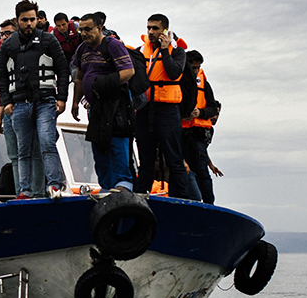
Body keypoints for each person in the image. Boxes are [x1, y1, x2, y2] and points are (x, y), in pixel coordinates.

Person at [0, 0, 69, 200]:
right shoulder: (8, 45)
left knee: (47, 142)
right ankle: (24, 190)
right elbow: (2, 75)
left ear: (37, 19)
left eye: (32, 19)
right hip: (19, 103)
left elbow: (62, 69)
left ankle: (54, 185)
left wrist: (62, 97)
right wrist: (6, 101)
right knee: (23, 149)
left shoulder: (49, 40)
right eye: (24, 20)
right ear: (17, 20)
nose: (29, 23)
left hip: (45, 101)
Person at [71, 13, 135, 191]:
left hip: (115, 104)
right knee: (99, 144)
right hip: (95, 107)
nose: (84, 33)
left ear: (99, 28)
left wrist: (104, 83)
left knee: (117, 141)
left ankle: (123, 183)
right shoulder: (82, 50)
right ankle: (106, 186)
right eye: (81, 30)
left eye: (88, 29)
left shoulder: (112, 45)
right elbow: (79, 77)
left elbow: (128, 71)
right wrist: (75, 102)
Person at [134, 13, 190, 198]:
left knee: (174, 158)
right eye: (148, 28)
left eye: (155, 28)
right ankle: (141, 197)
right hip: (145, 110)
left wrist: (165, 50)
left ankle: (179, 199)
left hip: (167, 111)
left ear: (165, 30)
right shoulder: (140, 50)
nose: (150, 32)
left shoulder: (178, 52)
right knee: (145, 160)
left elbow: (174, 73)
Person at [182, 50, 223, 203]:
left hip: (198, 134)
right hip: (180, 133)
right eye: (193, 67)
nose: (195, 71)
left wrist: (200, 112)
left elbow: (213, 108)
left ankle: (209, 205)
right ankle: (190, 202)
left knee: (202, 173)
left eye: (198, 68)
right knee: (182, 171)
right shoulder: (176, 79)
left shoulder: (204, 83)